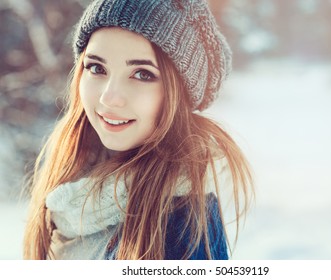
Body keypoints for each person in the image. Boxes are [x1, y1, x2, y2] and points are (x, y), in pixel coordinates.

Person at [23, 0, 253, 260]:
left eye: (142, 74)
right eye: (97, 68)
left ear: (178, 94)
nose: (109, 98)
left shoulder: (179, 226)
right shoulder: (73, 171)